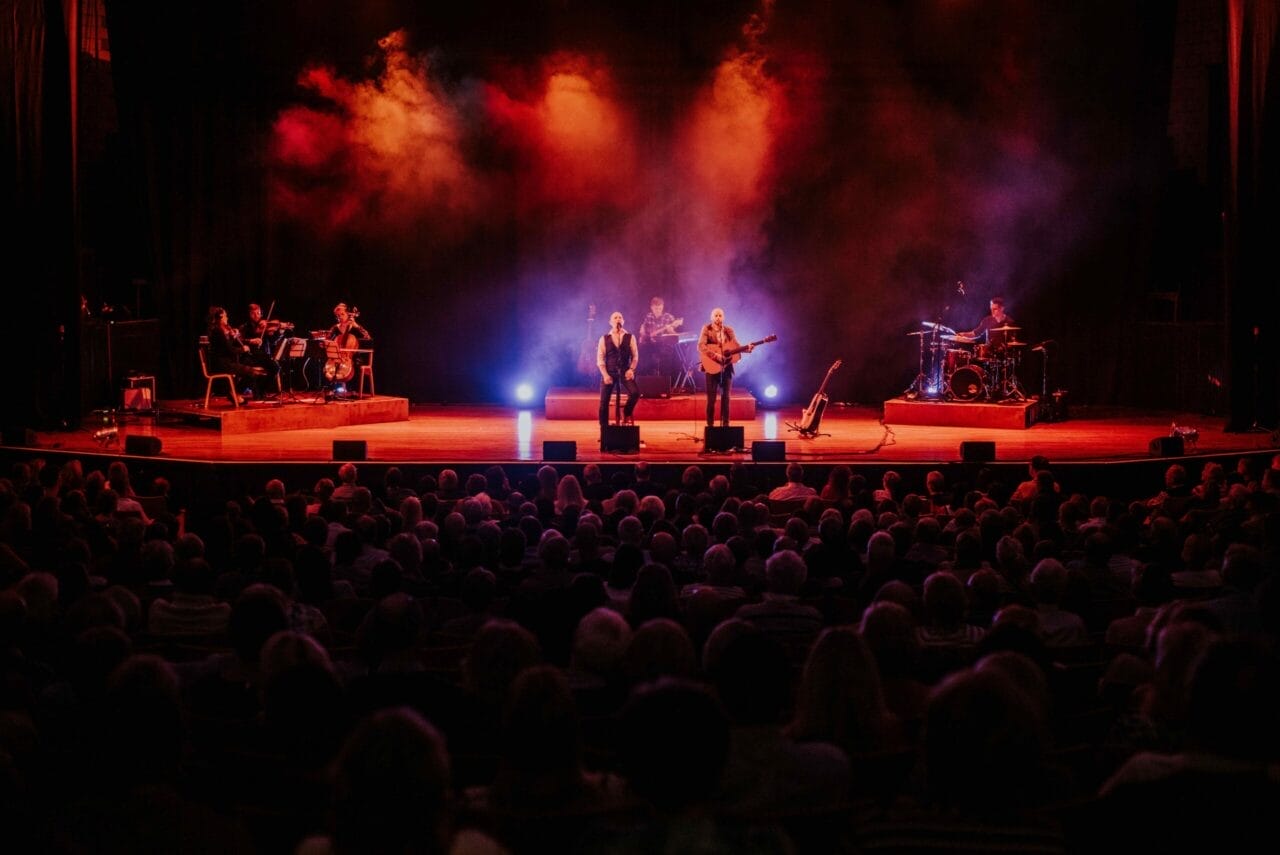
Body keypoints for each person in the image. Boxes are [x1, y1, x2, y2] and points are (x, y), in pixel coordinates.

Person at [698, 307, 753, 427]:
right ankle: (710, 426)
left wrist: (746, 349)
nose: (718, 318)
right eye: (716, 315)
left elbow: (736, 345)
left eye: (720, 315)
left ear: (723, 317)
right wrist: (715, 355)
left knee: (726, 398)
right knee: (711, 399)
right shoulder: (706, 329)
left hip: (726, 368)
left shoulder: (728, 330)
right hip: (711, 367)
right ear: (712, 317)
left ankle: (726, 426)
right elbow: (701, 346)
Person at [206, 306, 266, 404]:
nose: (227, 318)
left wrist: (232, 337)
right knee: (252, 373)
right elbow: (230, 350)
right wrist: (243, 348)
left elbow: (227, 347)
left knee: (252, 371)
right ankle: (234, 393)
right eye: (225, 316)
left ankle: (234, 393)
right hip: (222, 364)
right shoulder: (218, 331)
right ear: (220, 317)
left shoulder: (219, 331)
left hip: (225, 362)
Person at [597, 311, 639, 429]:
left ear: (623, 321)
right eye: (615, 318)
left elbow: (635, 356)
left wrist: (631, 369)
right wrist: (605, 375)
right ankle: (604, 429)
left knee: (635, 393)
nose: (618, 319)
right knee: (603, 402)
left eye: (620, 317)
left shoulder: (630, 337)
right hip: (609, 372)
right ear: (610, 322)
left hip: (625, 371)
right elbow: (600, 359)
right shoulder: (604, 338)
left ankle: (626, 412)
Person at [238, 303, 282, 394]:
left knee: (275, 367)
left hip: (263, 355)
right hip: (250, 356)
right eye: (254, 314)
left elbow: (272, 341)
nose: (257, 316)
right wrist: (251, 340)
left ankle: (261, 390)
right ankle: (239, 390)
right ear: (250, 314)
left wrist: (279, 332)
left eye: (258, 313)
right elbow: (239, 341)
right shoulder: (244, 327)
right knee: (251, 370)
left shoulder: (264, 326)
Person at [638, 296, 683, 378]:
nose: (658, 310)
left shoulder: (668, 317)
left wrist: (670, 330)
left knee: (665, 355)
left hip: (664, 344)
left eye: (659, 308)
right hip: (651, 344)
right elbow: (643, 328)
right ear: (651, 308)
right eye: (656, 308)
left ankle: (664, 380)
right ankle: (645, 379)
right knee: (642, 351)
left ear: (662, 307)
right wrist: (643, 332)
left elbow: (675, 335)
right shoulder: (649, 316)